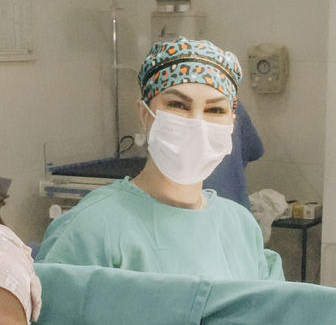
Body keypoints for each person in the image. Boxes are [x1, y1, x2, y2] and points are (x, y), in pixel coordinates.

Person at [36, 39, 284, 280]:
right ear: (144, 114)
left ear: (232, 122)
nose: (197, 124)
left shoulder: (240, 228)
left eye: (215, 110)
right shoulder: (90, 228)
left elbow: (268, 306)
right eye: (177, 105)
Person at [204, 99, 265, 208]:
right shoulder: (229, 102)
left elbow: (253, 150)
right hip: (233, 205)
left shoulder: (233, 105)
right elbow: (251, 151)